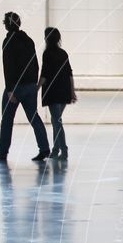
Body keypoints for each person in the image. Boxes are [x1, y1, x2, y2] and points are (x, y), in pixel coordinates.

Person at [0, 12, 51, 162]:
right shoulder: (28, 40)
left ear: (7, 25)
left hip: (15, 87)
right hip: (30, 86)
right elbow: (35, 64)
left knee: (7, 119)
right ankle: (44, 149)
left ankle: (2, 152)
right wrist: (34, 84)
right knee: (34, 117)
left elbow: (8, 66)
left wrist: (10, 89)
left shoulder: (8, 41)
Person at [39, 27, 77, 160]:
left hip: (53, 92)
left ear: (47, 38)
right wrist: (72, 92)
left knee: (57, 121)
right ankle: (55, 150)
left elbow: (44, 74)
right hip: (64, 91)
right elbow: (69, 73)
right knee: (56, 121)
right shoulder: (63, 53)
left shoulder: (47, 54)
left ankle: (64, 151)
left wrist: (37, 88)